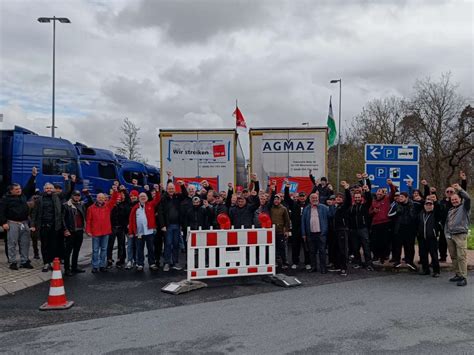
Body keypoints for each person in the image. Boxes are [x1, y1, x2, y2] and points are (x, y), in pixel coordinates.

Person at [0, 167, 37, 270]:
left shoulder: (23, 195)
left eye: (20, 189)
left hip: (24, 223)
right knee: (12, 243)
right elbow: (1, 212)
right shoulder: (5, 199)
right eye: (16, 189)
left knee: (25, 243)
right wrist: (3, 223)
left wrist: (33, 175)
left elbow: (29, 186)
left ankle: (24, 261)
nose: (19, 190)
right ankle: (12, 262)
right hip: (12, 223)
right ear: (11, 191)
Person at [31, 182, 64, 272]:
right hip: (43, 226)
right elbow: (34, 213)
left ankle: (53, 262)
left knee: (53, 245)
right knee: (44, 245)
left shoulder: (57, 197)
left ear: (53, 189)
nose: (49, 190)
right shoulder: (39, 199)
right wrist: (33, 225)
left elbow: (68, 191)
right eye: (47, 188)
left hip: (54, 226)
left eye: (50, 188)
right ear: (44, 189)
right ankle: (46, 263)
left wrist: (68, 181)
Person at [86, 187, 120, 273]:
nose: (101, 199)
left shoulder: (107, 206)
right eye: (99, 197)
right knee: (95, 250)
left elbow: (114, 199)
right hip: (95, 232)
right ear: (96, 198)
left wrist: (115, 191)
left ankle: (102, 265)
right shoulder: (91, 208)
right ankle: (95, 266)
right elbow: (88, 220)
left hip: (105, 232)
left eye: (102, 198)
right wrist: (88, 230)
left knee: (104, 249)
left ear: (104, 199)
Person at [128, 186, 161, 271]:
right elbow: (131, 220)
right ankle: (140, 264)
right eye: (141, 197)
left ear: (147, 198)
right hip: (139, 232)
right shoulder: (135, 207)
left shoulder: (150, 205)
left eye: (144, 197)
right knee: (140, 249)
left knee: (150, 248)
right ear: (139, 198)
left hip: (149, 231)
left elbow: (157, 199)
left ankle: (152, 263)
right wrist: (131, 232)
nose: (143, 198)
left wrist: (157, 191)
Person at [158, 179, 187, 272]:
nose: (171, 190)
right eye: (169, 188)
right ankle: (167, 262)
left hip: (177, 225)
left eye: (172, 188)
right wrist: (162, 225)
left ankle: (175, 262)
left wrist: (182, 186)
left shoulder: (177, 196)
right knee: (168, 244)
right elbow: (160, 213)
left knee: (176, 244)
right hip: (168, 226)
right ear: (167, 189)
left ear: (175, 189)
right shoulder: (163, 198)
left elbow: (185, 195)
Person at [62, 189, 93, 276]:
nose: (77, 197)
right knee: (68, 251)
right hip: (70, 231)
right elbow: (62, 219)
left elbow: (91, 202)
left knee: (77, 250)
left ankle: (75, 267)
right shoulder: (65, 205)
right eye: (75, 195)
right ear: (72, 196)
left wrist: (87, 194)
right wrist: (65, 230)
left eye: (78, 195)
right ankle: (67, 269)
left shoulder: (81, 204)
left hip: (79, 230)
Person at [445, 184, 470, 286]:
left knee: (461, 257)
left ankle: (464, 277)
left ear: (460, 199)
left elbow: (467, 198)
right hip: (450, 236)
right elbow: (447, 223)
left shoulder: (464, 207)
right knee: (454, 256)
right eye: (452, 200)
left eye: (456, 199)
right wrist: (447, 233)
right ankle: (458, 274)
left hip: (460, 235)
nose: (454, 201)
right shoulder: (450, 210)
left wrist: (460, 189)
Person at [369, 179, 397, 265]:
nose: (379, 194)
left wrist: (391, 184)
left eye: (381, 193)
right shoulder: (373, 201)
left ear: (384, 194)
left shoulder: (387, 199)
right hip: (375, 224)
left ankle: (384, 256)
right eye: (378, 193)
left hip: (385, 223)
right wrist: (374, 211)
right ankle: (376, 256)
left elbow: (393, 192)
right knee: (375, 241)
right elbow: (369, 212)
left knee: (385, 241)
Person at [301, 192, 330, 273]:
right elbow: (303, 221)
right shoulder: (306, 209)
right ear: (310, 200)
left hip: (321, 234)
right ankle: (314, 267)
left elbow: (330, 217)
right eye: (313, 198)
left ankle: (323, 268)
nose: (314, 199)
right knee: (312, 252)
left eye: (316, 198)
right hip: (310, 234)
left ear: (318, 199)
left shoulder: (324, 207)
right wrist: (303, 233)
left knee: (322, 251)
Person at [284, 184, 311, 271]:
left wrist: (316, 185)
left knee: (307, 246)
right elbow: (287, 198)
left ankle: (307, 263)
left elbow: (313, 193)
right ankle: (295, 262)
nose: (302, 198)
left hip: (306, 229)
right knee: (295, 246)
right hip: (296, 229)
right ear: (298, 197)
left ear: (306, 197)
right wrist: (287, 187)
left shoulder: (309, 205)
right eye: (300, 196)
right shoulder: (294, 204)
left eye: (303, 196)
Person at [328, 181, 352, 276]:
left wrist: (346, 188)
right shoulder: (335, 207)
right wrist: (330, 191)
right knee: (336, 249)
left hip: (343, 230)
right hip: (335, 231)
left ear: (343, 199)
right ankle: (337, 266)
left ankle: (344, 268)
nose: (338, 198)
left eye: (340, 197)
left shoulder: (344, 206)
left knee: (343, 250)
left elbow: (349, 200)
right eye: (337, 197)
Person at [348, 184, 374, 270]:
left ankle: (369, 264)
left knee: (366, 247)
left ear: (361, 198)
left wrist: (367, 191)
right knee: (355, 248)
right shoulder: (351, 207)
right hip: (353, 230)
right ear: (354, 198)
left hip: (363, 229)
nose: (357, 199)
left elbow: (370, 199)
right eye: (356, 197)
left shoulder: (365, 206)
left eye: (359, 197)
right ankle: (358, 262)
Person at [391, 192, 417, 271]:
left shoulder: (413, 205)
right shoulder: (396, 205)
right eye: (399, 197)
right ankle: (397, 261)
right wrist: (397, 212)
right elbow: (389, 214)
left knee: (409, 246)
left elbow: (415, 217)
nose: (400, 198)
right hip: (399, 228)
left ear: (406, 197)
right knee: (397, 246)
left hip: (410, 229)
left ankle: (410, 262)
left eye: (402, 197)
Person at [417, 199, 442, 277]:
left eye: (430, 204)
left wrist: (435, 201)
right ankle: (425, 270)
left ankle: (436, 271)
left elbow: (438, 208)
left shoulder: (435, 214)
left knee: (434, 255)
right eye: (427, 204)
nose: (428, 206)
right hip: (422, 238)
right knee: (423, 255)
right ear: (424, 206)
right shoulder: (420, 213)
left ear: (433, 206)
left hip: (432, 238)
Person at [108, 185, 131, 269]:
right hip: (112, 227)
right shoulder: (111, 205)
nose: (119, 198)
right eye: (118, 197)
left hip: (121, 227)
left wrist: (123, 190)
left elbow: (127, 203)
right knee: (110, 244)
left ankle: (120, 260)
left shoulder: (124, 204)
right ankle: (109, 260)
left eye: (120, 197)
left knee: (121, 244)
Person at [270, 194, 291, 269]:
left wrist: (286, 231)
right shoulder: (271, 208)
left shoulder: (283, 208)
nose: (276, 201)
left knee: (282, 248)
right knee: (273, 248)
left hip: (280, 231)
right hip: (272, 231)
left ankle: (284, 262)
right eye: (275, 199)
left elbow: (287, 221)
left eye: (277, 199)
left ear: (280, 200)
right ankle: (275, 262)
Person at [125, 190, 139, 269]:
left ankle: (137, 261)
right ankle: (129, 260)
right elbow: (124, 216)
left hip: (137, 229)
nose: (133, 197)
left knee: (137, 245)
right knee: (130, 245)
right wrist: (127, 224)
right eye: (131, 196)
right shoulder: (128, 205)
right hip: (129, 229)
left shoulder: (139, 205)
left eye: (134, 195)